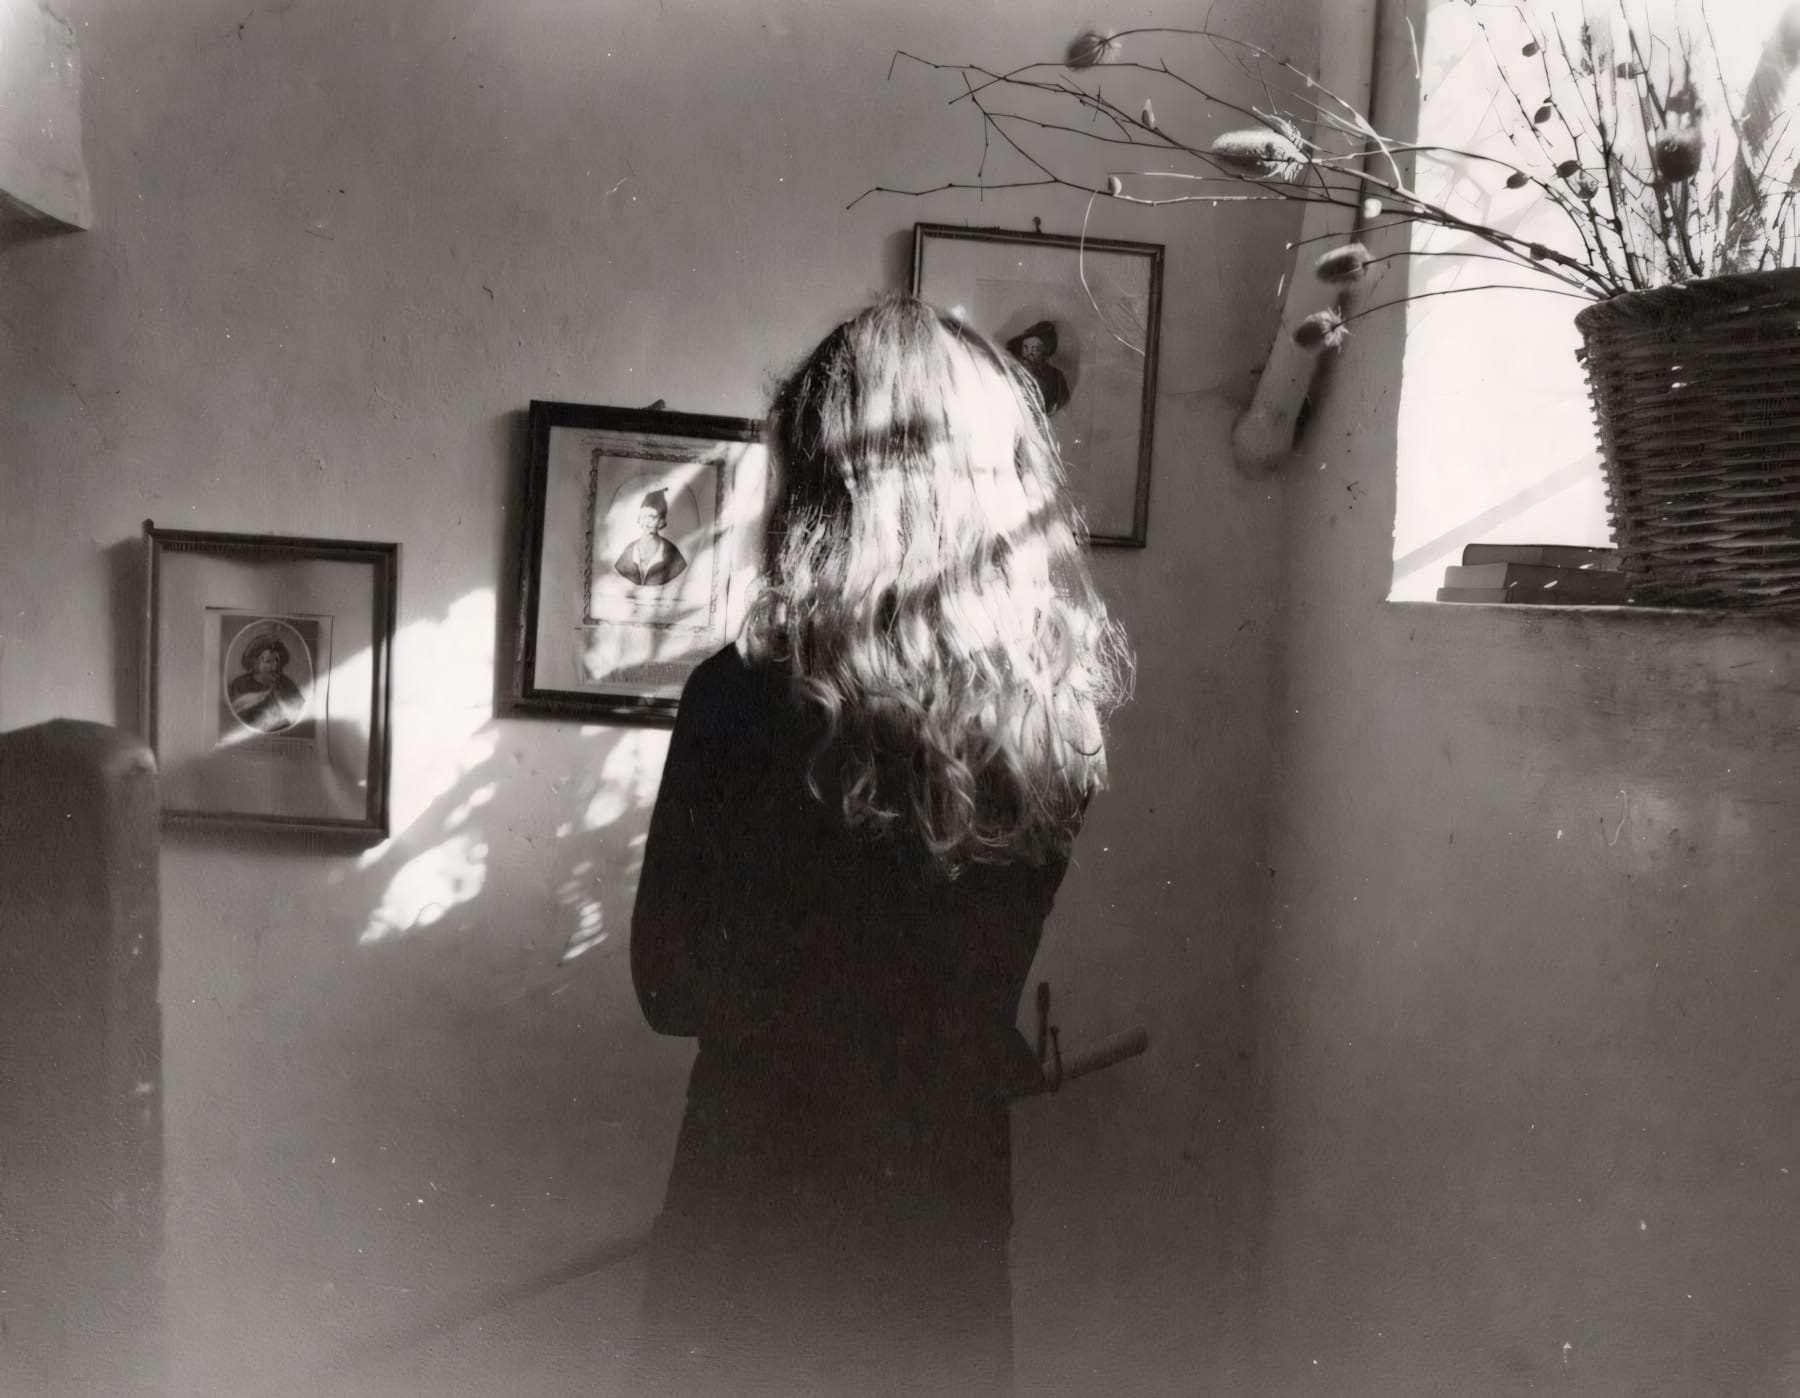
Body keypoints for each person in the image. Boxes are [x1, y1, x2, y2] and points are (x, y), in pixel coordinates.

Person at [628, 294, 1130, 1398]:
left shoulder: (745, 695)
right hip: (938, 1208)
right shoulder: (1058, 716)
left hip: (757, 1198)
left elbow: (668, 986)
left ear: (823, 476)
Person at [226, 634, 307, 733]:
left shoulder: (285, 682)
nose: (275, 665)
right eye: (268, 661)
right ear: (255, 663)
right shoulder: (241, 684)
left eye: (277, 660)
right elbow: (237, 717)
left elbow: (300, 711)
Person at [615, 488, 689, 586]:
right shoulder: (629, 551)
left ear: (661, 521)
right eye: (643, 516)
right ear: (639, 519)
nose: (647, 522)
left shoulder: (673, 554)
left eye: (652, 517)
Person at [1004, 319, 1071, 416]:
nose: (1028, 353)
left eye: (1035, 349)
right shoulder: (1011, 368)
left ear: (1045, 352)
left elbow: (1053, 408)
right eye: (1026, 347)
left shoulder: (1056, 376)